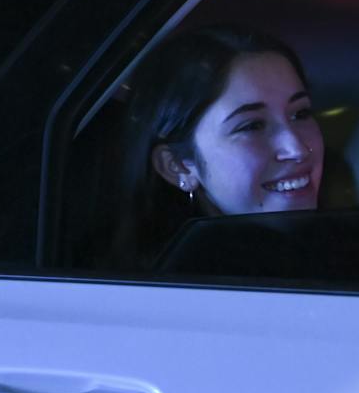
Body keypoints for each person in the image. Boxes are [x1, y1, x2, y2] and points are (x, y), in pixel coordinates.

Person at [115, 25, 324, 266]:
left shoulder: (340, 252)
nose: (296, 149)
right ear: (177, 166)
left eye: (300, 114)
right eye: (252, 126)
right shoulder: (181, 288)